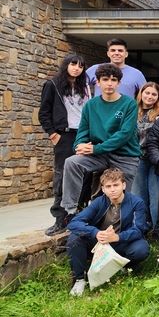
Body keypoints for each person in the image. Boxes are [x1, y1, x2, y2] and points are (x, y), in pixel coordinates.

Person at [60, 64, 140, 218]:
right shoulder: (91, 105)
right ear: (97, 82)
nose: (109, 83)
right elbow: (83, 131)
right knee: (72, 162)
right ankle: (70, 210)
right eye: (105, 79)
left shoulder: (129, 104)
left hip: (125, 156)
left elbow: (124, 134)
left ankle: (124, 225)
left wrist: (96, 149)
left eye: (113, 80)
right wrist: (79, 145)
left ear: (119, 83)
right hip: (99, 155)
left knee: (125, 200)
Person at [65, 167, 149, 297]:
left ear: (124, 185)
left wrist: (117, 237)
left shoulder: (137, 202)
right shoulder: (99, 202)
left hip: (122, 242)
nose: (112, 189)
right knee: (74, 239)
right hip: (100, 241)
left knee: (141, 249)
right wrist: (96, 233)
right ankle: (79, 279)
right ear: (103, 189)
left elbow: (139, 229)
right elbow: (74, 222)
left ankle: (124, 266)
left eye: (116, 185)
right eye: (108, 186)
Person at [40, 54, 91, 235]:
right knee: (62, 176)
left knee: (85, 175)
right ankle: (60, 219)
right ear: (66, 65)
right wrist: (53, 134)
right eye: (73, 64)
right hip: (65, 135)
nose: (77, 68)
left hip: (83, 135)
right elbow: (44, 112)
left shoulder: (85, 86)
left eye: (80, 66)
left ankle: (79, 214)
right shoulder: (53, 84)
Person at [132, 82, 159, 226]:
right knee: (138, 194)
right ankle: (140, 227)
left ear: (158, 97)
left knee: (156, 195)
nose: (150, 96)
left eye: (154, 94)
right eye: (147, 93)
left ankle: (158, 229)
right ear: (141, 94)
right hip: (136, 158)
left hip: (154, 158)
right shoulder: (132, 111)